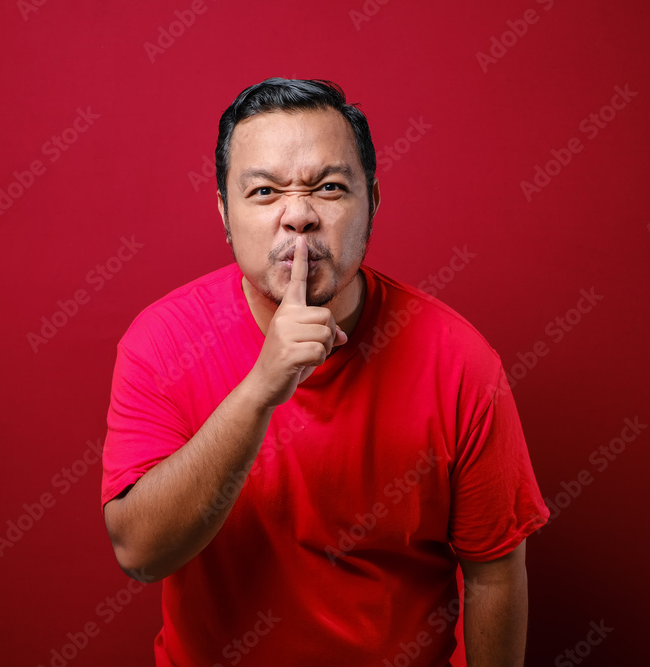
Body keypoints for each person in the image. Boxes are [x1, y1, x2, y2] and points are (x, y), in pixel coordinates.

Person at [101, 77, 549, 666]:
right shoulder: (160, 342)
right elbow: (140, 553)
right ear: (224, 212)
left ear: (373, 200)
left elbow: (494, 573)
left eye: (330, 187)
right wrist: (263, 388)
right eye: (264, 192)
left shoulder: (460, 360)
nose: (298, 217)